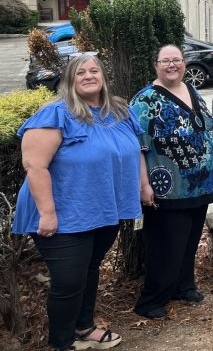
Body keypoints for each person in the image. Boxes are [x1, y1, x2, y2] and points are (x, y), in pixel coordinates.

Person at [13, 53, 143, 351]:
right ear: (70, 80)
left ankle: (84, 328)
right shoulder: (55, 114)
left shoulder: (118, 111)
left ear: (103, 77)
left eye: (94, 70)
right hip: (62, 214)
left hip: (102, 210)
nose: (88, 76)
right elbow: (35, 165)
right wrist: (47, 213)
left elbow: (136, 151)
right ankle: (62, 343)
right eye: (80, 72)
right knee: (69, 280)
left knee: (89, 268)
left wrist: (142, 186)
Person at [130, 44, 213, 319]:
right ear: (156, 65)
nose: (172, 65)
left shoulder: (191, 90)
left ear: (184, 63)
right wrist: (143, 185)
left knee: (189, 242)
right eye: (166, 61)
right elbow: (137, 147)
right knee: (165, 246)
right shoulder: (145, 100)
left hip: (200, 185)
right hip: (168, 190)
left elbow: (207, 128)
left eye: (177, 60)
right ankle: (152, 300)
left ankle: (184, 286)